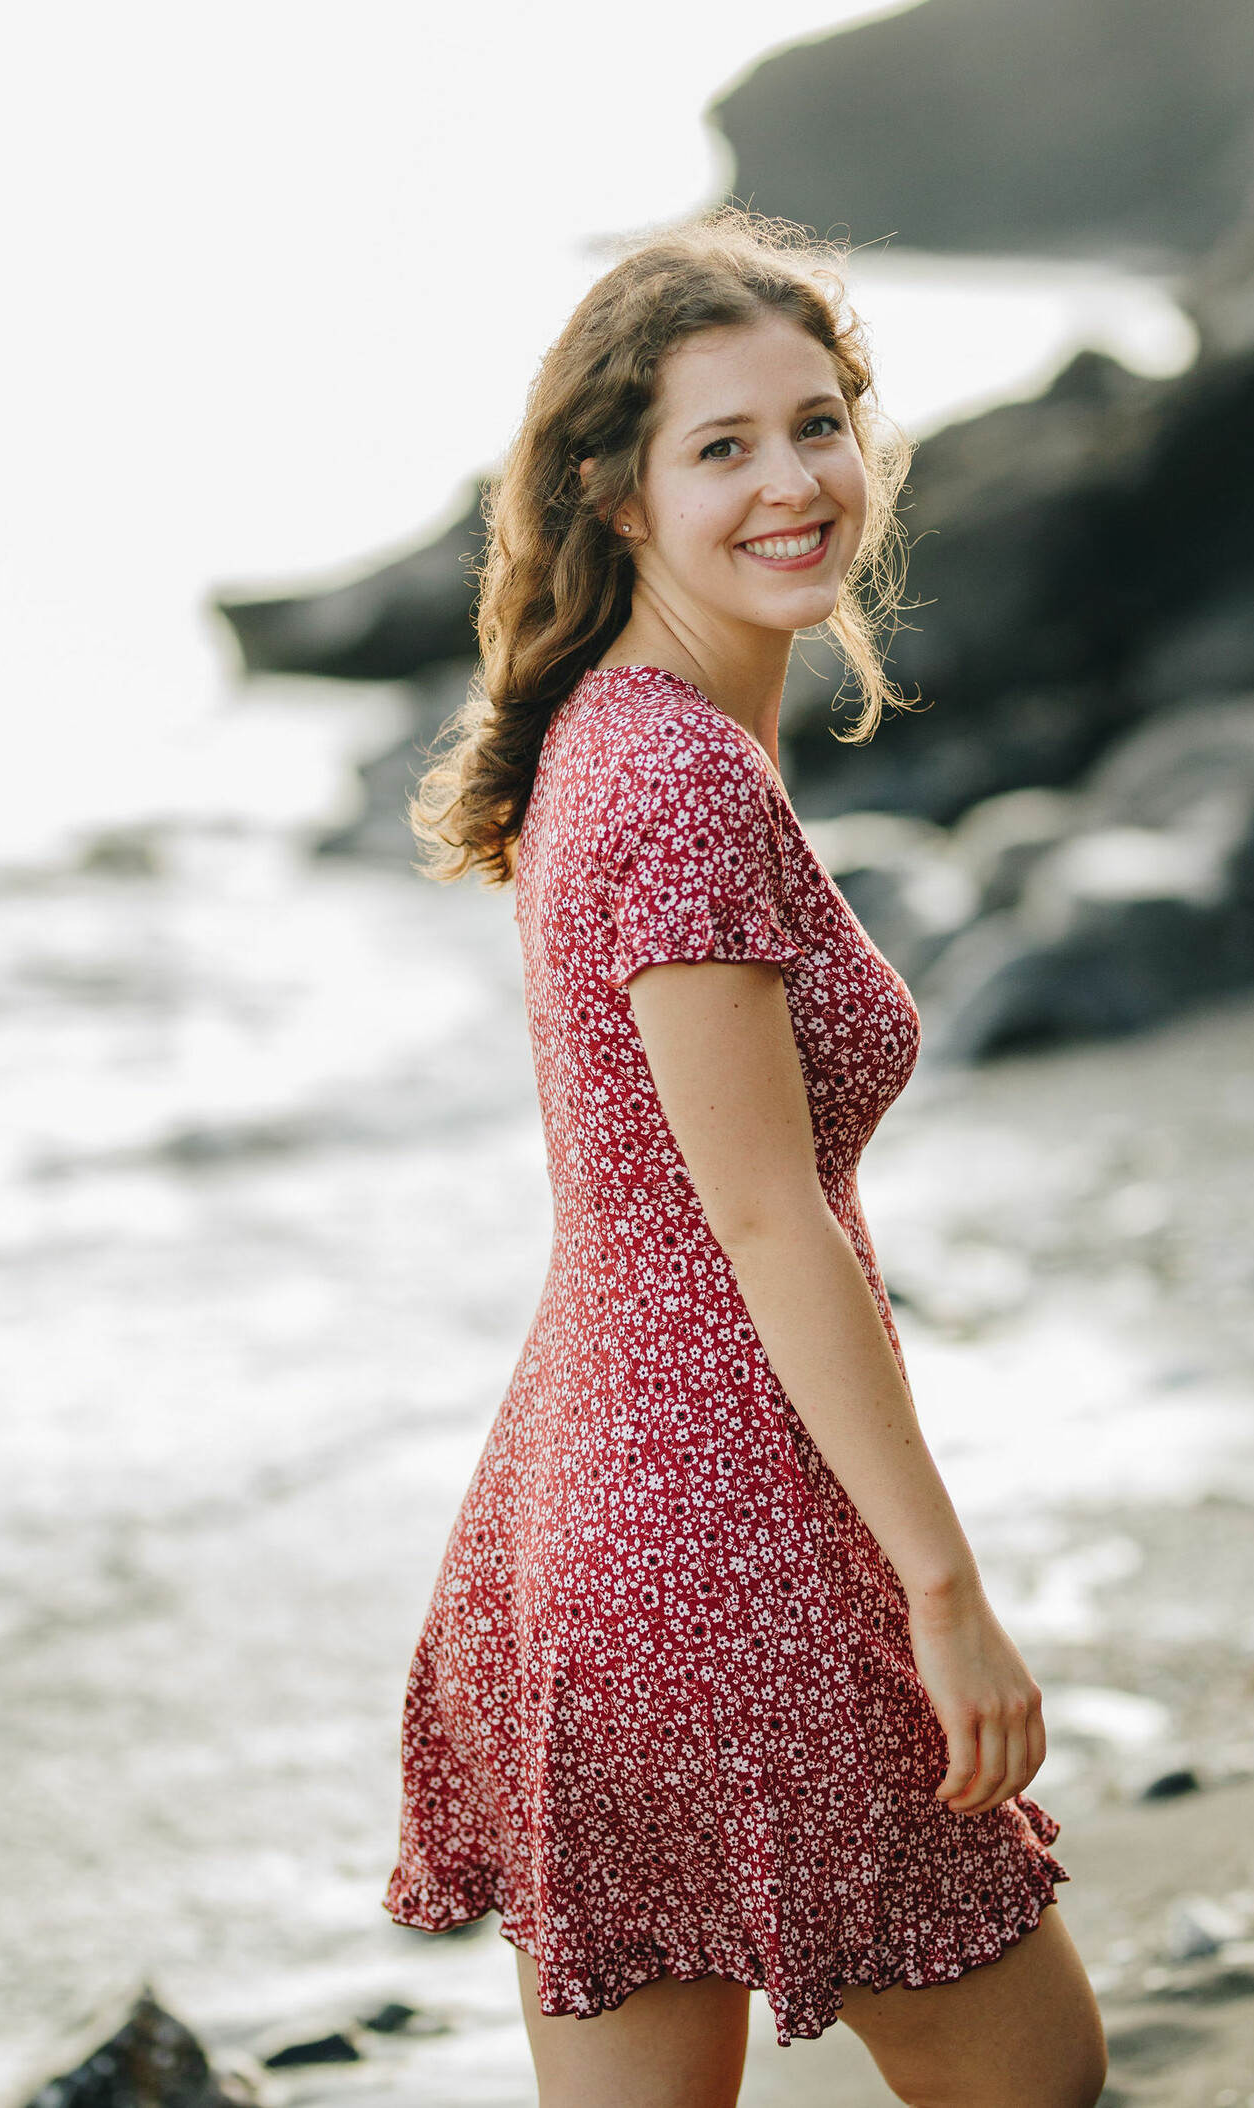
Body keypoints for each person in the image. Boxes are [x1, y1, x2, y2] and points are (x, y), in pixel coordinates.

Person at [386, 215, 1106, 2108]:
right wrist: (942, 1594)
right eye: (722, 447)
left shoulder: (600, 742)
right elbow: (768, 1218)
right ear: (617, 494)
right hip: (735, 1552)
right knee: (1032, 2078)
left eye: (817, 425)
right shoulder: (683, 780)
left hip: (583, 1533)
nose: (793, 483)